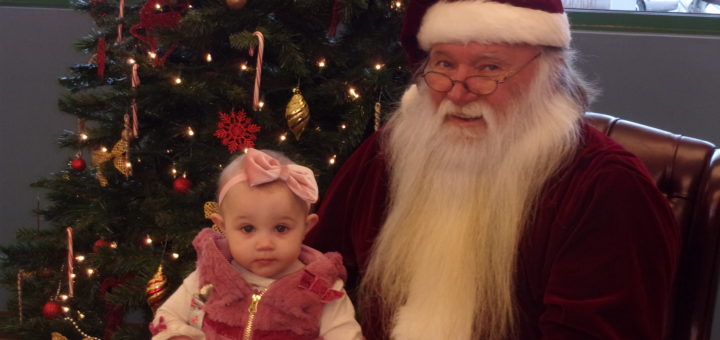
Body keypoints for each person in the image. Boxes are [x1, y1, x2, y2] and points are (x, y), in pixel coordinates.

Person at [305, 0, 680, 339]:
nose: (458, 91)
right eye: (444, 64)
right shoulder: (388, 153)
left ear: (552, 73)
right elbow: (307, 273)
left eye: (490, 67)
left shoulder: (607, 188)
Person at [149, 148, 363, 340]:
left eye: (281, 228)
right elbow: (168, 316)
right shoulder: (209, 276)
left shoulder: (322, 290)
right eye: (248, 229)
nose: (264, 244)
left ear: (306, 227)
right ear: (222, 227)